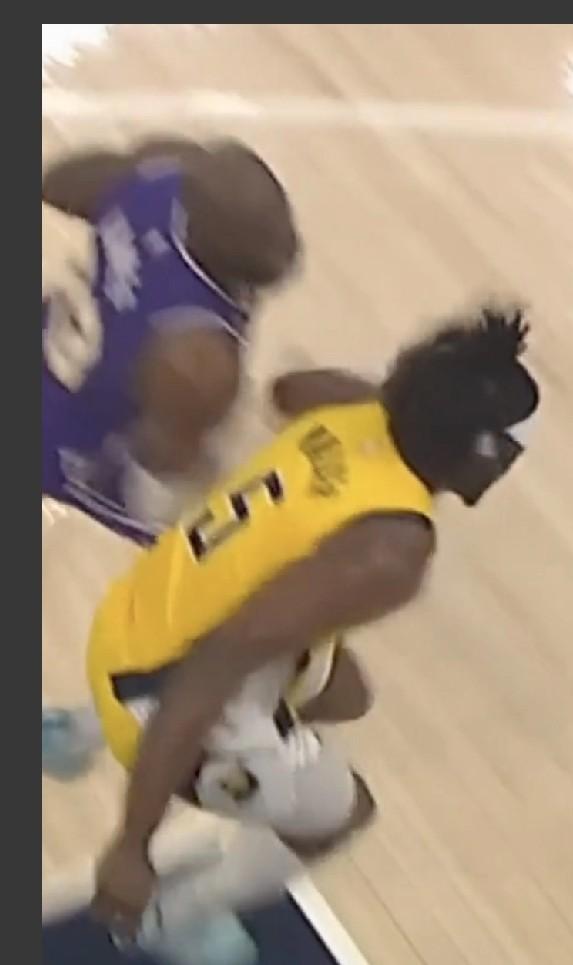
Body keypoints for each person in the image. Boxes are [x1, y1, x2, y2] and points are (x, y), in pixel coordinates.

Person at [43, 304, 540, 963]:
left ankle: (73, 731)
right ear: (485, 453)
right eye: (513, 450)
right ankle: (181, 916)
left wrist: (415, 397)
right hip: (159, 689)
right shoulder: (392, 550)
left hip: (136, 615)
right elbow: (218, 663)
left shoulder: (353, 409)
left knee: (345, 692)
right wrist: (132, 845)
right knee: (343, 812)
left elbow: (286, 389)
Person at [42, 136, 300, 543]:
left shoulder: (160, 174)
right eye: (269, 243)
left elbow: (60, 184)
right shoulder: (198, 359)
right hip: (63, 442)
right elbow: (161, 477)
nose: (283, 252)